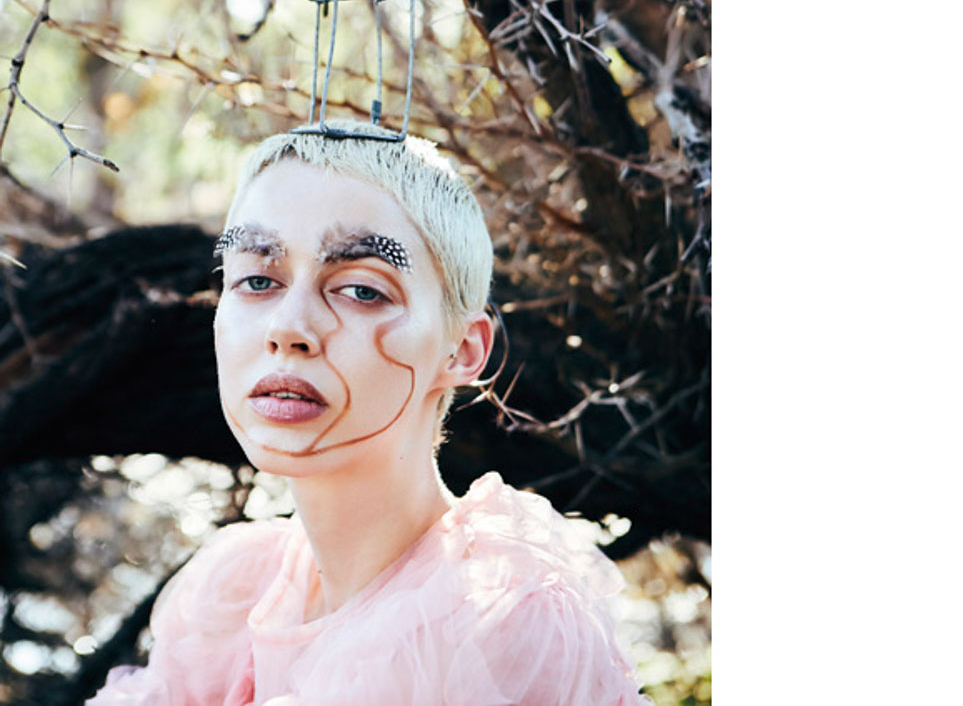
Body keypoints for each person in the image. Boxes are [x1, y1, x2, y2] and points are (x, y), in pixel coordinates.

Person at [88, 122, 648, 706]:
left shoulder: (498, 624)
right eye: (257, 280)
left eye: (361, 290)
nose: (288, 328)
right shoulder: (234, 593)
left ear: (462, 350)